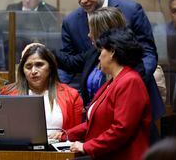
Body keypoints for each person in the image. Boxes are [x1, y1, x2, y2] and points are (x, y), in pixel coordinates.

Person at [57, 0, 164, 141]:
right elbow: (71, 62)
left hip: (133, 103)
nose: (83, 0)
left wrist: (126, 84)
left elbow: (149, 53)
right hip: (96, 109)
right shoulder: (71, 21)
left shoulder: (131, 10)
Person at [52, 28, 151, 160]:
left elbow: (121, 129)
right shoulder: (112, 82)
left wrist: (87, 146)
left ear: (112, 52)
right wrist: (65, 135)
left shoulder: (130, 81)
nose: (98, 57)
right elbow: (94, 122)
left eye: (101, 51)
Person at [0, 45, 83, 136]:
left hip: (58, 148)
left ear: (50, 67)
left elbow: (76, 135)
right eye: (28, 67)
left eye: (39, 65)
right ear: (22, 70)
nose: (33, 71)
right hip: (19, 148)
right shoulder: (7, 94)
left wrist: (63, 137)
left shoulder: (71, 95)